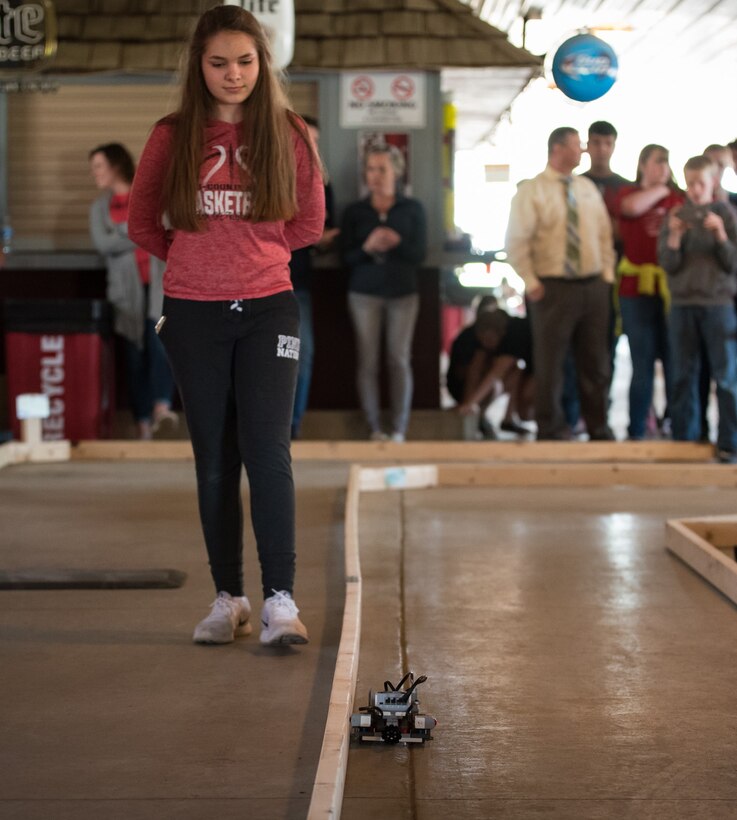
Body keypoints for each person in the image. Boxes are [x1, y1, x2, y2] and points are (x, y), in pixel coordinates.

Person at [128, 6, 325, 645]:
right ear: (199, 66)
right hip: (192, 313)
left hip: (269, 306)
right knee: (213, 457)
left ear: (261, 63)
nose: (233, 74)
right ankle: (228, 597)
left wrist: (248, 259)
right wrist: (196, 263)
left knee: (267, 450)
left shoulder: (288, 131)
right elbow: (141, 223)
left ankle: (280, 603)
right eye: (219, 63)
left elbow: (307, 224)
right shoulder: (172, 133)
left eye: (245, 61)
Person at [505, 126, 615, 441]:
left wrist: (606, 276)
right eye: (575, 145)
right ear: (557, 149)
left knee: (595, 362)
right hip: (552, 287)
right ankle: (551, 427)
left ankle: (598, 426)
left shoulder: (587, 189)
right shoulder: (532, 191)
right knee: (550, 363)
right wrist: (530, 281)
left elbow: (604, 235)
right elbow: (516, 242)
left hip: (592, 286)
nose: (581, 151)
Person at [88, 143, 177, 441]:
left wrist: (124, 232)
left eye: (98, 166)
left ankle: (161, 410)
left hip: (159, 292)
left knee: (160, 343)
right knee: (134, 354)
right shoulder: (99, 208)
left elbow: (165, 230)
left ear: (115, 166)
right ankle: (142, 424)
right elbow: (104, 245)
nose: (94, 173)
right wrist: (138, 231)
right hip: (125, 297)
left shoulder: (151, 198)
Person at [340, 143, 427, 442]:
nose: (375, 175)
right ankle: (374, 427)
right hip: (363, 294)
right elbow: (344, 257)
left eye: (382, 169)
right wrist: (367, 247)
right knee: (367, 361)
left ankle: (399, 428)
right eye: (370, 169)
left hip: (403, 293)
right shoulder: (355, 212)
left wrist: (396, 242)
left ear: (397, 172)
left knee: (398, 359)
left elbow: (420, 254)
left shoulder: (412, 208)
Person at [658, 155, 737, 463]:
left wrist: (720, 236)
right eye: (689, 183)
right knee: (683, 375)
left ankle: (729, 442)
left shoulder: (726, 215)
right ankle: (685, 440)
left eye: (700, 183)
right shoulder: (675, 215)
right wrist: (675, 238)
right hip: (682, 305)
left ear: (712, 183)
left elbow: (733, 264)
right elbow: (667, 264)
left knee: (726, 377)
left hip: (718, 305)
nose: (694, 189)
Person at [613, 145, 683, 440]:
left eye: (667, 163)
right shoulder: (626, 193)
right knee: (642, 362)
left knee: (674, 360)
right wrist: (659, 189)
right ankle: (637, 428)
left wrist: (666, 189)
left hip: (670, 290)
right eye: (658, 162)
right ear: (643, 165)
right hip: (635, 290)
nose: (663, 168)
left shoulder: (679, 197)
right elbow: (631, 209)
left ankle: (675, 425)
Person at [288, 115, 339, 440]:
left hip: (302, 278)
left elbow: (322, 231)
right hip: (263, 278)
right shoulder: (270, 176)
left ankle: (293, 426)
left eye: (317, 141)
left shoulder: (323, 182)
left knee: (302, 354)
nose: (313, 146)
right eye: (308, 139)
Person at [447, 308, 534, 439]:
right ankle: (478, 415)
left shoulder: (515, 333)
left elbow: (497, 373)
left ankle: (507, 419)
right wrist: (468, 404)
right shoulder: (473, 341)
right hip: (457, 386)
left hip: (536, 382)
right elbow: (475, 371)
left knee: (516, 374)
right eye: (482, 339)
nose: (485, 343)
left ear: (500, 332)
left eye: (488, 338)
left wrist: (470, 403)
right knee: (481, 362)